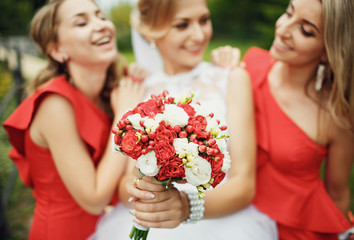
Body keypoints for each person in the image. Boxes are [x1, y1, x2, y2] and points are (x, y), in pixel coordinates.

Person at [89, 0, 278, 239]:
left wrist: (186, 206)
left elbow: (244, 184)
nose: (199, 35)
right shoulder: (139, 89)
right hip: (153, 217)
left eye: (204, 20)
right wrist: (146, 194)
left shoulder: (232, 78)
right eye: (182, 25)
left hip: (221, 220)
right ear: (149, 31)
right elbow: (126, 179)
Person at [211, 0, 354, 239]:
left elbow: (337, 193)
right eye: (289, 13)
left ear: (327, 52)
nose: (283, 29)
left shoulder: (335, 116)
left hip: (297, 228)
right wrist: (220, 64)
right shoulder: (251, 65)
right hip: (237, 211)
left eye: (305, 30)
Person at [2, 0, 144, 239]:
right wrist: (124, 117)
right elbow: (94, 199)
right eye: (81, 22)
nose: (101, 25)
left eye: (100, 16)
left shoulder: (110, 93)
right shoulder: (54, 104)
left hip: (105, 228)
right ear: (57, 50)